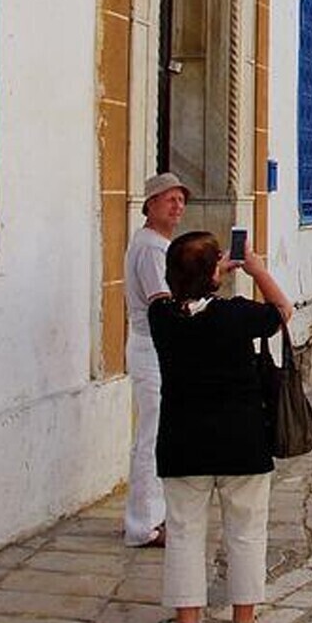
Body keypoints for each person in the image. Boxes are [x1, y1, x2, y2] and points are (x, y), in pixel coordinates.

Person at [149, 231, 293, 623]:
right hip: (242, 441)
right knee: (247, 531)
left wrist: (207, 273)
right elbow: (282, 311)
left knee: (184, 533)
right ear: (215, 275)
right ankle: (244, 620)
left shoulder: (160, 317)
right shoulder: (236, 315)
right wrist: (256, 269)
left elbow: (175, 296)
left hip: (182, 442)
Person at [124, 170, 189, 549]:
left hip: (153, 349)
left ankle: (152, 516)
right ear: (150, 205)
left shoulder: (159, 244)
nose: (177, 205)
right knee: (152, 437)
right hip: (152, 350)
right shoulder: (151, 247)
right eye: (169, 199)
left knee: (155, 433)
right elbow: (162, 302)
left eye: (181, 199)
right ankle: (142, 525)